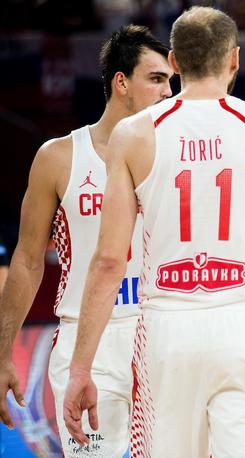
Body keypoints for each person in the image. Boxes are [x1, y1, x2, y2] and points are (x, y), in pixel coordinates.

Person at [62, 7, 245, 457]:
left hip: (166, 326)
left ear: (173, 62)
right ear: (234, 59)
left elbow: (110, 260)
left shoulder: (133, 134)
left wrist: (81, 368)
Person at [0, 26, 173, 456]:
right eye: (156, 78)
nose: (169, 92)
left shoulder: (180, 155)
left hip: (166, 331)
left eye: (171, 80)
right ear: (121, 82)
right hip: (88, 339)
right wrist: (2, 352)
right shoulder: (59, 156)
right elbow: (26, 261)